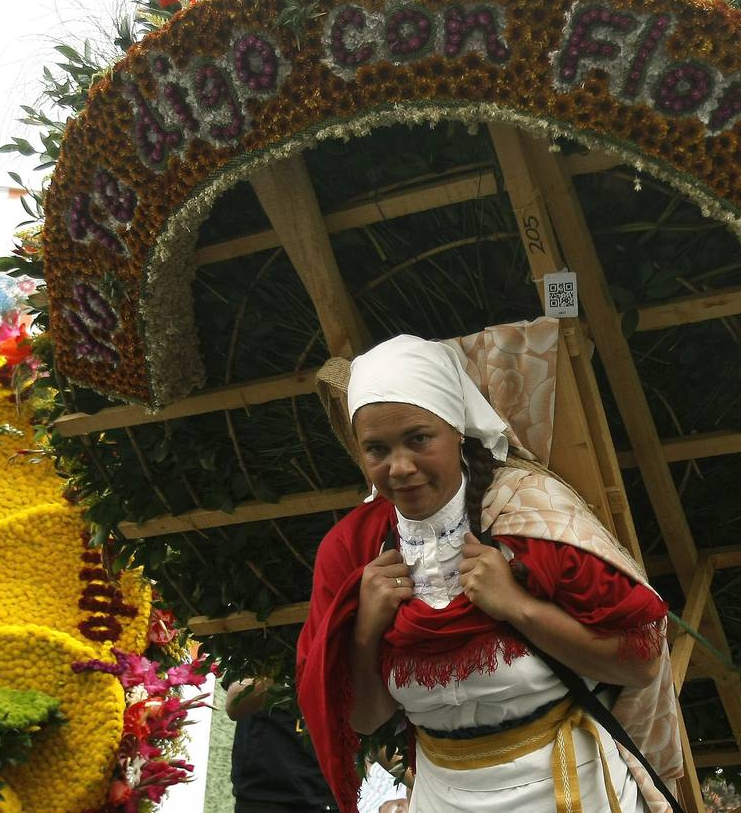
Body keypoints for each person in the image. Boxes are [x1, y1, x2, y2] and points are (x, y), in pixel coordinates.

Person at [297, 335, 683, 813]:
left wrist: (517, 606)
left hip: (570, 790)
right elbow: (364, 715)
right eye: (376, 449)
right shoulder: (354, 550)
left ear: (457, 427)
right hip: (443, 798)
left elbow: (640, 664)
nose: (399, 467)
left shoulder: (532, 515)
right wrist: (366, 630)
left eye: (419, 439)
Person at [227, 677, 339, 812]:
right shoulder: (265, 657)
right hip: (265, 796)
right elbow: (234, 702)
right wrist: (283, 669)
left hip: (330, 799)